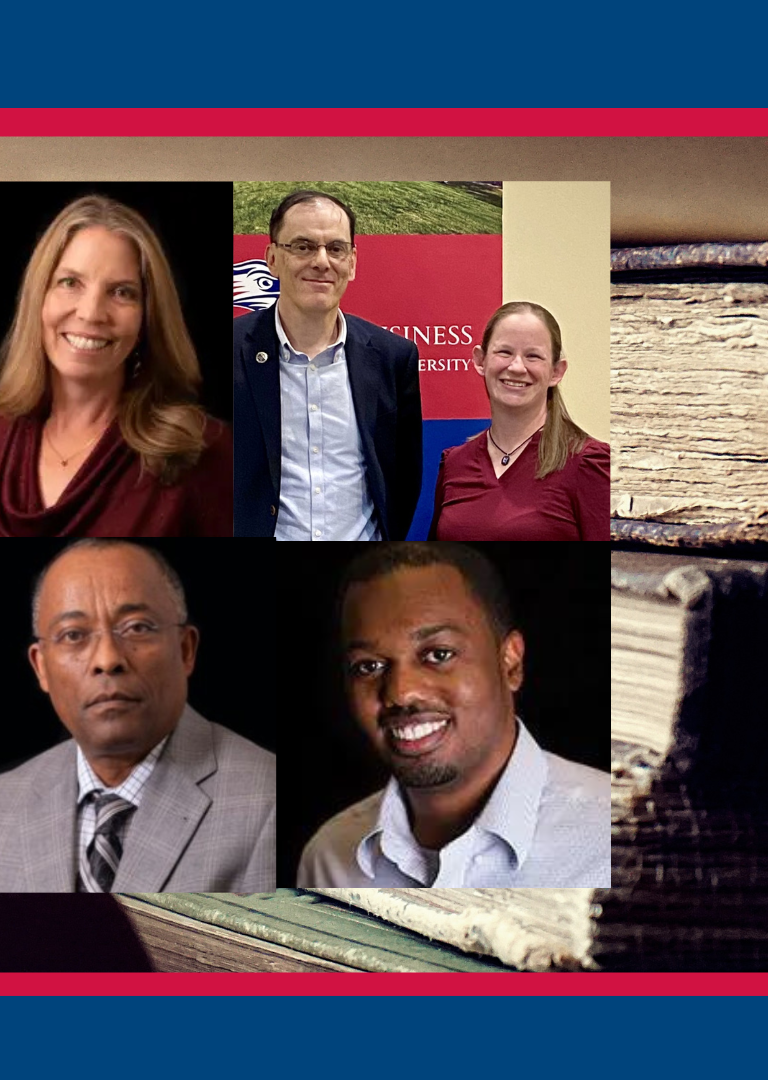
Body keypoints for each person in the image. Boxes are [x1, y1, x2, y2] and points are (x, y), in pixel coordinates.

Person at [0, 541, 275, 892]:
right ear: (40, 666)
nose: (107, 659)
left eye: (136, 628)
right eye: (73, 635)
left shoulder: (267, 800)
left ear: (185, 650)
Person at [299, 543, 609, 888]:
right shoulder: (328, 858)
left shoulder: (615, 839)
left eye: (438, 654)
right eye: (369, 666)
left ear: (511, 662)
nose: (401, 693)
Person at [0, 195, 231, 536]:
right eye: (70, 283)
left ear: (147, 317)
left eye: (121, 292)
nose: (90, 313)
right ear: (38, 298)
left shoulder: (204, 451)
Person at [232, 189, 422, 540]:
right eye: (302, 246)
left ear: (352, 262)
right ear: (272, 258)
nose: (322, 261)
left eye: (335, 248)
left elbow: (403, 480)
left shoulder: (393, 357)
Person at [430, 302, 611, 540]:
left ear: (556, 372)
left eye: (533, 356)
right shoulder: (455, 463)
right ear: (480, 361)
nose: (516, 367)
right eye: (504, 352)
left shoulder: (588, 463)